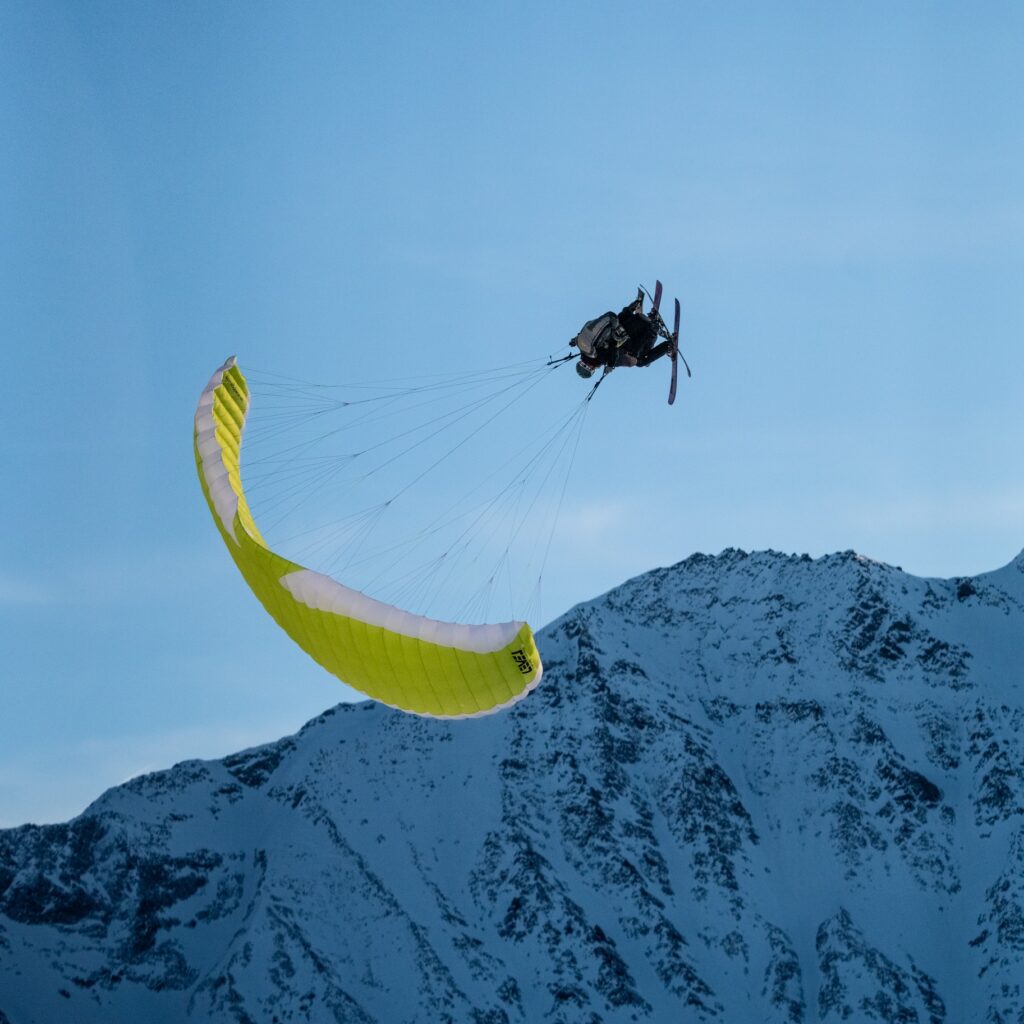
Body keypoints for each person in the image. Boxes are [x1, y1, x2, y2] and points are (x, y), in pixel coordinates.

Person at [572, 289, 673, 379]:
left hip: (642, 327)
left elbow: (614, 351)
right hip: (628, 320)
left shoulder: (599, 358)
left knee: (640, 360)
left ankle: (666, 343)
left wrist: (611, 364)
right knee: (617, 332)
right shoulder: (584, 345)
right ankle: (635, 306)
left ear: (591, 368)